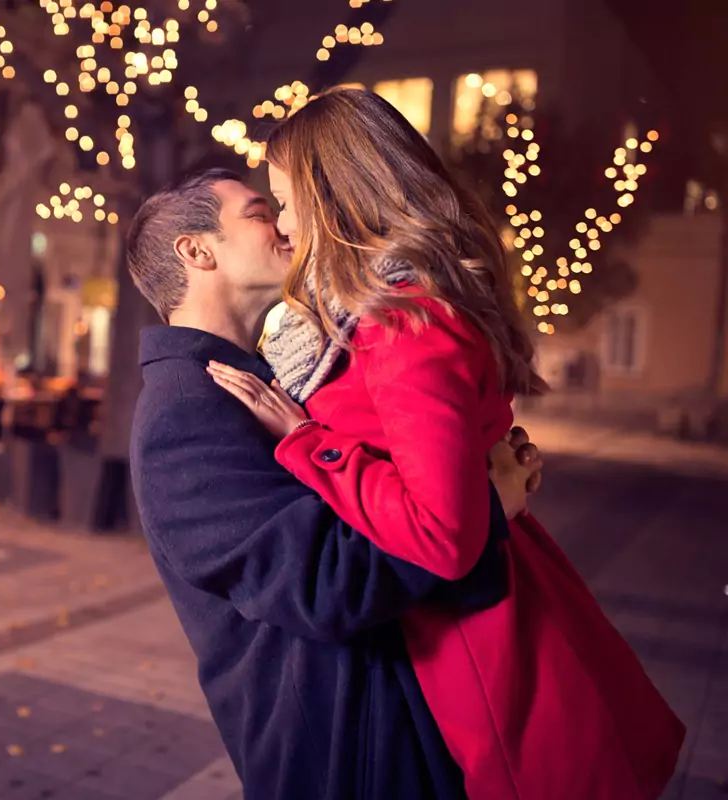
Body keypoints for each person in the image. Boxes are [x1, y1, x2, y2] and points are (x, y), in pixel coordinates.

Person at [207, 88, 684, 799]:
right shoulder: (377, 309)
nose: (281, 222)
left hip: (473, 640)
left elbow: (443, 534)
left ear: (333, 194)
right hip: (452, 621)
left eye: (285, 199)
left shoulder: (406, 321)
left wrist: (307, 442)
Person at [127, 169, 543, 799]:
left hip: (369, 719)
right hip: (334, 748)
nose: (288, 227)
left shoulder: (255, 380)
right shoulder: (184, 411)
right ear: (197, 250)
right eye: (262, 212)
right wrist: (483, 511)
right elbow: (323, 583)